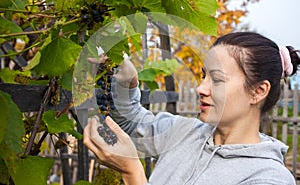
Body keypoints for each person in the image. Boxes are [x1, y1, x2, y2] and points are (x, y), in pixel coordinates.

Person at [83, 32, 299, 184]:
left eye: (217, 79)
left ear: (258, 91)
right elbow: (131, 122)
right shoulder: (184, 132)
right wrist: (127, 84)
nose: (200, 88)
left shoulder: (267, 178)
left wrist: (132, 172)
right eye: (203, 75)